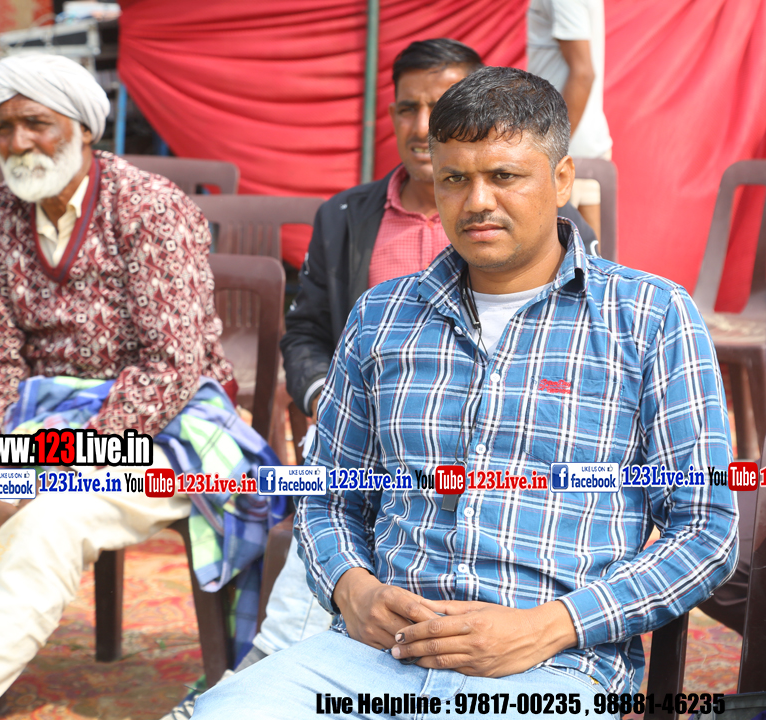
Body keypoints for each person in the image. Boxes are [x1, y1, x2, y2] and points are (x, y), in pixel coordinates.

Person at [194, 67, 737, 718]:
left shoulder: (649, 317)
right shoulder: (382, 318)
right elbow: (329, 497)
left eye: (504, 175)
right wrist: (352, 589)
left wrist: (550, 625)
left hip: (550, 668)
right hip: (372, 657)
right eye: (455, 179)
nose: (477, 201)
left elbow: (706, 530)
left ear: (562, 179)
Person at [0, 54, 279, 717]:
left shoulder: (149, 206)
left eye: (36, 123)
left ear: (84, 128)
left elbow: (171, 365)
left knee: (43, 525)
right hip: (37, 424)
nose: (19, 142)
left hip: (165, 428)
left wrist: (58, 465)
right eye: (3, 128)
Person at [281, 38, 596, 422]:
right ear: (392, 114)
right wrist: (331, 404)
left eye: (441, 108)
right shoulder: (343, 217)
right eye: (408, 109)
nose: (422, 127)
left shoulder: (548, 222)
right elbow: (307, 332)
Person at [528, 0, 612, 241]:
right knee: (589, 253)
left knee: (573, 255)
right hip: (575, 143)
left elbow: (583, 74)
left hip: (565, 148)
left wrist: (548, 150)